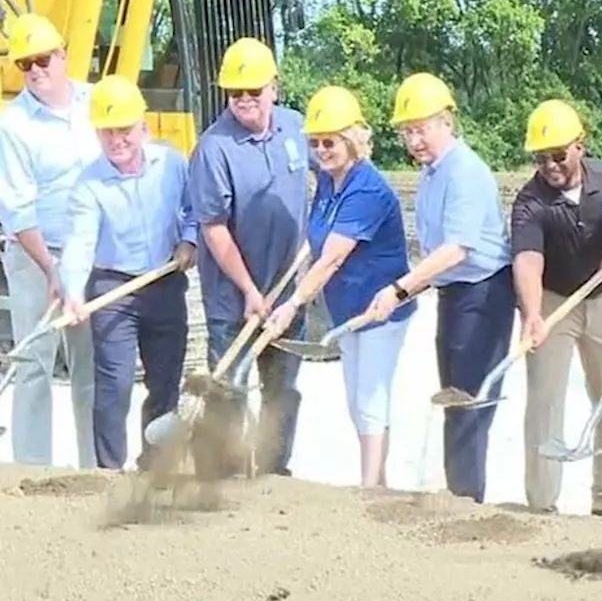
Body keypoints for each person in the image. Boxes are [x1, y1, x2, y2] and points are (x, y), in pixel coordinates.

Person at [367, 72, 513, 504]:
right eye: (407, 132)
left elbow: (457, 249)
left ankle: (466, 501)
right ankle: (458, 495)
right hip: (454, 296)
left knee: (468, 402)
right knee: (453, 398)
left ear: (447, 121)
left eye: (422, 129)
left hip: (484, 295)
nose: (414, 141)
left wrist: (400, 289)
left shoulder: (464, 171)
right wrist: (407, 290)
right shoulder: (433, 174)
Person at [261, 86, 415, 488]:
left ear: (352, 140)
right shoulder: (329, 182)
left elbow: (331, 258)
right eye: (315, 143)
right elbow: (316, 244)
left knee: (369, 399)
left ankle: (370, 490)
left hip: (382, 309)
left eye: (330, 141)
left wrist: (292, 304)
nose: (322, 150)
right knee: (356, 401)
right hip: (348, 308)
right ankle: (376, 482)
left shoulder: (366, 188)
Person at [510, 98, 602, 524]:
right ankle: (541, 503)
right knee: (545, 399)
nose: (549, 165)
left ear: (579, 146)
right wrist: (533, 314)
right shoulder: (530, 202)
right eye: (540, 157)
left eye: (557, 155)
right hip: (553, 301)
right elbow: (528, 260)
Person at [57, 76, 198, 470]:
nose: (117, 140)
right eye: (107, 132)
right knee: (114, 386)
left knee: (165, 382)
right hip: (112, 289)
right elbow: (80, 243)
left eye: (125, 130)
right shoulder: (89, 184)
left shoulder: (172, 163)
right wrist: (73, 293)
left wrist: (189, 241)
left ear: (144, 128)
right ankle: (109, 471)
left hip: (164, 282)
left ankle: (156, 467)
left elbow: (193, 210)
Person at [187, 37, 310, 477]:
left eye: (252, 91)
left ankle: (275, 475)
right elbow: (214, 229)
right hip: (233, 298)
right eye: (235, 93)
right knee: (230, 392)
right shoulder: (213, 148)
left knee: (282, 392)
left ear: (273, 87)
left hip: (288, 292)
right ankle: (226, 477)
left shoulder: (297, 128)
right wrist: (249, 291)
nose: (244, 101)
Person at [0, 13, 98, 468]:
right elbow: (18, 209)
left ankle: (93, 466)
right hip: (35, 255)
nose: (36, 70)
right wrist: (53, 269)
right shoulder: (13, 125)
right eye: (25, 64)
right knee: (35, 363)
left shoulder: (97, 103)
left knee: (90, 366)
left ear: (63, 55)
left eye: (42, 59)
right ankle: (32, 472)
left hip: (95, 254)